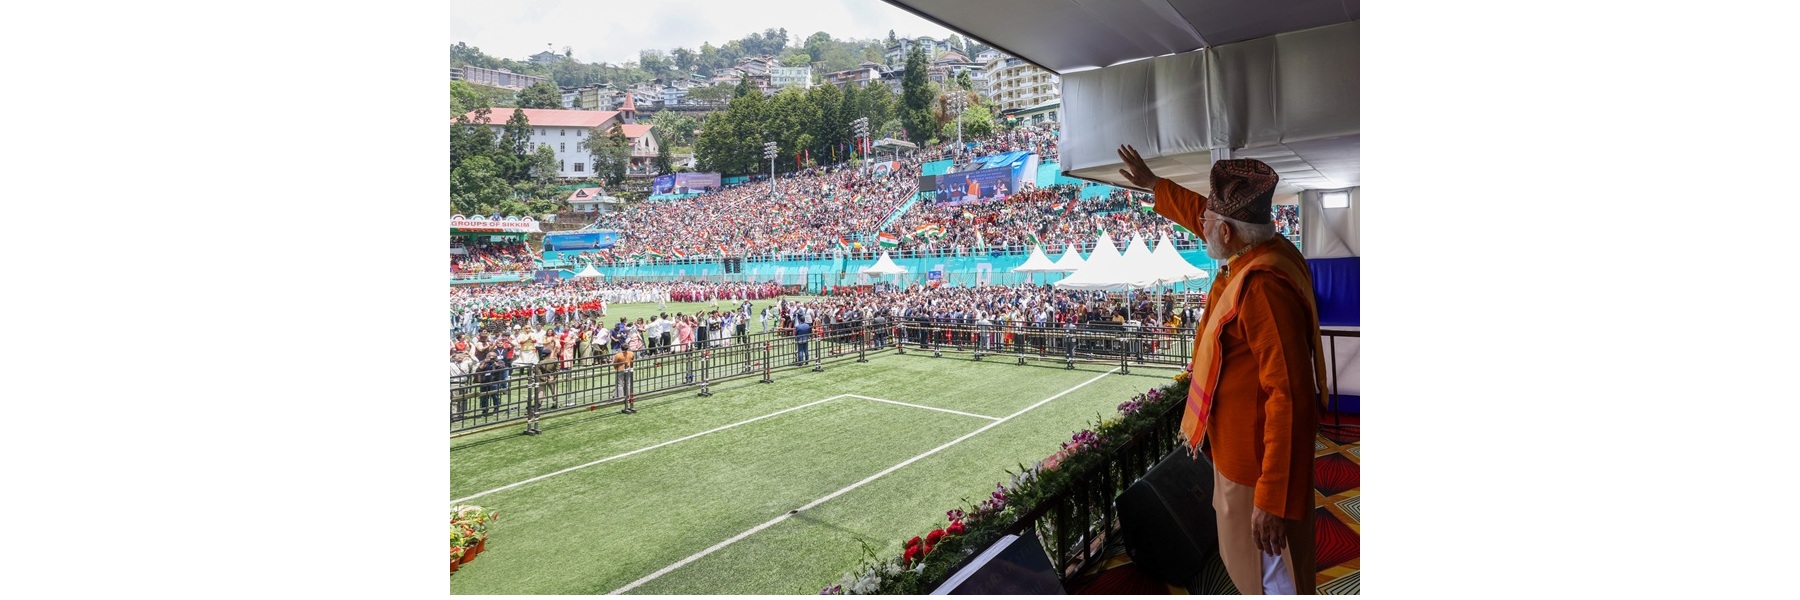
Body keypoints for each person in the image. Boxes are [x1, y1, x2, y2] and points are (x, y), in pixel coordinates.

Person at [1117, 145, 1326, 595]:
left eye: (1211, 222)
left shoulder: (1262, 289)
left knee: (1270, 575)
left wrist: (1271, 497)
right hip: (1241, 457)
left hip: (1258, 471)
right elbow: (1201, 213)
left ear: (1228, 234)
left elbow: (1289, 397)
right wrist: (1156, 186)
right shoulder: (1263, 248)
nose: (1202, 224)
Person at [613, 343, 637, 414]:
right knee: (628, 383)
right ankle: (629, 396)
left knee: (620, 384)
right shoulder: (631, 353)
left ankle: (620, 398)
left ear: (621, 348)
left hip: (620, 370)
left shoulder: (618, 355)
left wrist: (617, 368)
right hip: (628, 369)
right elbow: (632, 359)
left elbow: (615, 363)